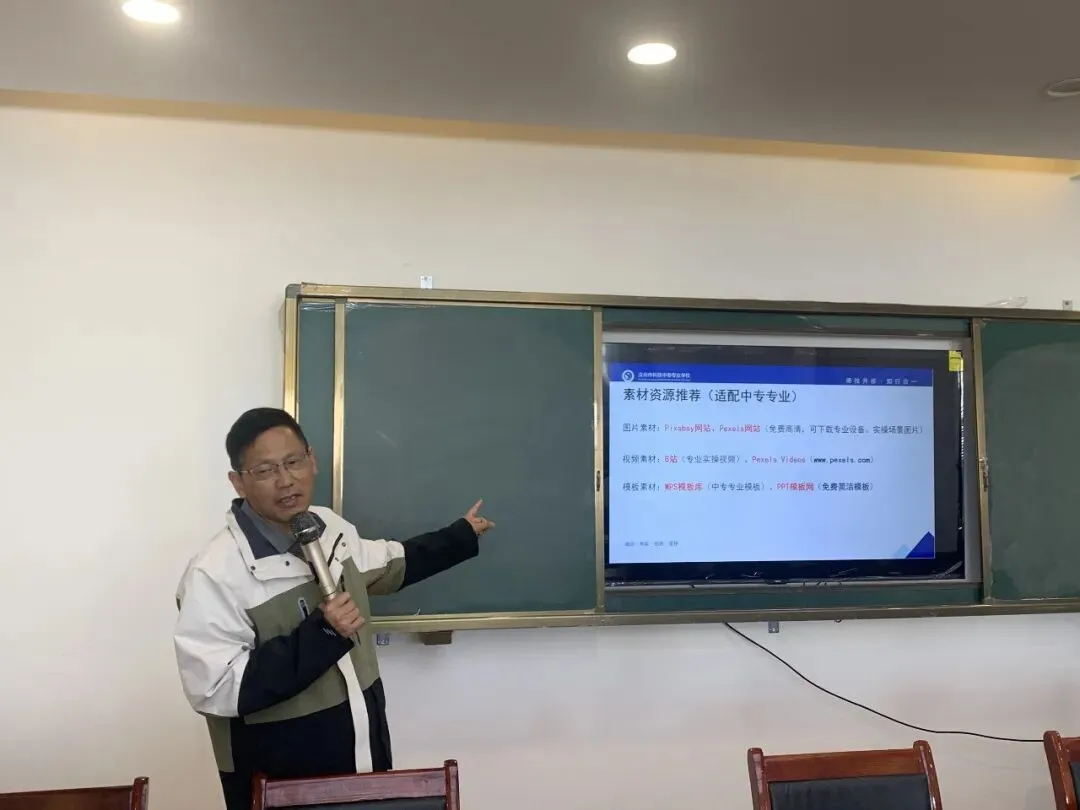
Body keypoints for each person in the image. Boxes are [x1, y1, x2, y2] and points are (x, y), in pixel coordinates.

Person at [173, 407, 494, 810]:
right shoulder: (214, 573)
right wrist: (322, 633)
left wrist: (460, 536)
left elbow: (388, 562)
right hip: (280, 783)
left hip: (362, 754)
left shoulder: (327, 528)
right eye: (266, 470)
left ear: (312, 461)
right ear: (238, 482)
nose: (286, 480)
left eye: (293, 462)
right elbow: (215, 687)